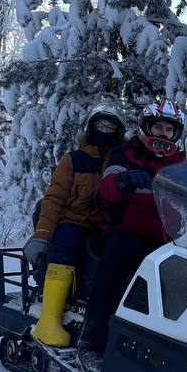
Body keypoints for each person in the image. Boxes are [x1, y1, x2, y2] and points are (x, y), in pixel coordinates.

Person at [76, 97, 186, 372]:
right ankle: (91, 342)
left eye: (169, 130)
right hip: (126, 232)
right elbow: (108, 186)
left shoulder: (182, 163)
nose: (163, 134)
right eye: (158, 127)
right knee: (115, 265)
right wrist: (124, 180)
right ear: (146, 128)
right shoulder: (125, 155)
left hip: (167, 239)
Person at [23, 103, 127, 347]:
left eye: (111, 127)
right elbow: (54, 198)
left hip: (105, 224)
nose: (105, 130)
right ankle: (48, 320)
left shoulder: (122, 162)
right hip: (73, 220)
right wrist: (42, 235)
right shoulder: (74, 160)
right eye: (101, 125)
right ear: (91, 128)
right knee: (67, 243)